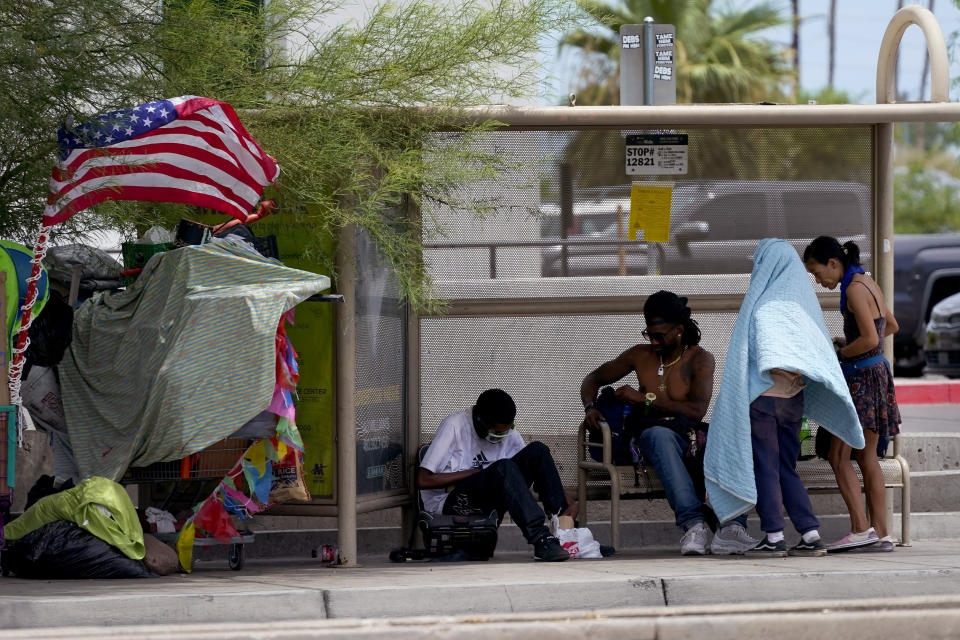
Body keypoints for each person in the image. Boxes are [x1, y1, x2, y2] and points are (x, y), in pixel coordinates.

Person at [705, 239, 863, 559]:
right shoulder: (803, 308)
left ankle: (774, 535)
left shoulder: (766, 306)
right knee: (786, 467)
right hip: (794, 401)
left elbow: (763, 355)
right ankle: (809, 532)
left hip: (763, 399)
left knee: (765, 466)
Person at [580, 290, 757, 556]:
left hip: (687, 434)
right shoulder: (639, 355)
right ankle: (693, 525)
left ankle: (732, 527)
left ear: (678, 330)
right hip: (648, 439)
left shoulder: (699, 359)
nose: (653, 341)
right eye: (649, 334)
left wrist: (644, 400)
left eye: (660, 335)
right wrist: (590, 407)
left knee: (730, 437)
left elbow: (696, 411)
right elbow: (592, 378)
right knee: (658, 435)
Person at [804, 236, 901, 553]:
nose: (819, 282)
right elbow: (891, 325)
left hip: (860, 379)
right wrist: (851, 339)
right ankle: (882, 533)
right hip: (878, 375)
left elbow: (872, 338)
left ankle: (861, 529)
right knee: (867, 456)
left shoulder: (853, 289)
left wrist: (844, 351)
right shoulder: (867, 282)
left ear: (834, 263)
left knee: (838, 455)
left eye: (818, 273)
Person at [417, 388, 573, 561]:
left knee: (538, 451)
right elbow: (423, 480)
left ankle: (566, 531)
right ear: (480, 421)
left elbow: (531, 469)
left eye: (507, 431)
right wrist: (472, 473)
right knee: (504, 468)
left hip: (490, 494)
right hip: (451, 501)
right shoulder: (455, 426)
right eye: (497, 433)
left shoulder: (506, 430)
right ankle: (540, 538)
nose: (502, 437)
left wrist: (564, 498)